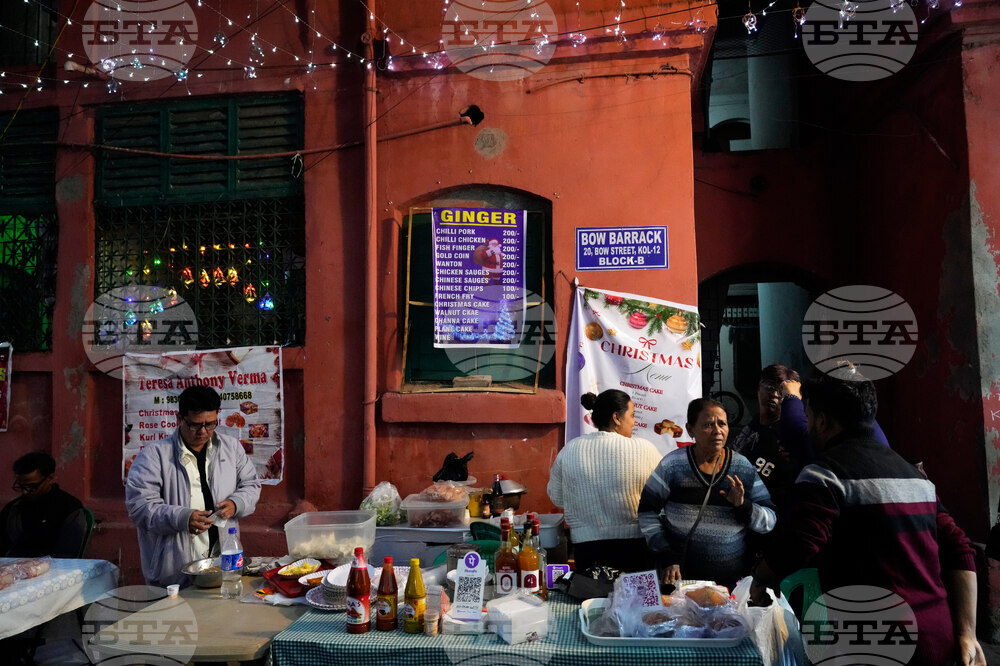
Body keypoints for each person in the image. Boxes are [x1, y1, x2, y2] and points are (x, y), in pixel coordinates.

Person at [750, 370, 985, 666]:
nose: (807, 425)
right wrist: (968, 634)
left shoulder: (825, 474)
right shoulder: (915, 477)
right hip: (937, 643)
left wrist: (760, 578)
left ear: (822, 421)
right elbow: (961, 549)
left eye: (809, 416)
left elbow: (797, 545)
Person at [126, 385, 261, 587]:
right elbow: (140, 507)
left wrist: (236, 503)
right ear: (180, 419)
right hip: (173, 570)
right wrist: (182, 517)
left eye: (210, 424)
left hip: (223, 562)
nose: (203, 431)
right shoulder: (154, 456)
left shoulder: (231, 448)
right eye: (196, 425)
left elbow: (251, 484)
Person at [638, 398, 776, 590]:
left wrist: (743, 506)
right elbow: (646, 511)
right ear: (690, 429)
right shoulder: (672, 466)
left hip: (729, 584)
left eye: (722, 424)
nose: (717, 431)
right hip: (680, 582)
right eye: (708, 425)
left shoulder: (742, 467)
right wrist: (665, 553)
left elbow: (770, 520)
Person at [547, 390, 663, 572]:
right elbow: (662, 495)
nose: (634, 422)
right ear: (617, 417)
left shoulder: (570, 450)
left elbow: (556, 497)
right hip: (636, 547)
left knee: (592, 599)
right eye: (632, 415)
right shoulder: (644, 449)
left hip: (587, 549)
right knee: (634, 599)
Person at [0, 451, 87, 557]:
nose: (25, 492)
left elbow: (67, 553)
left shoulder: (69, 508)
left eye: (32, 487)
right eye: (21, 487)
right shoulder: (14, 509)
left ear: (50, 478)